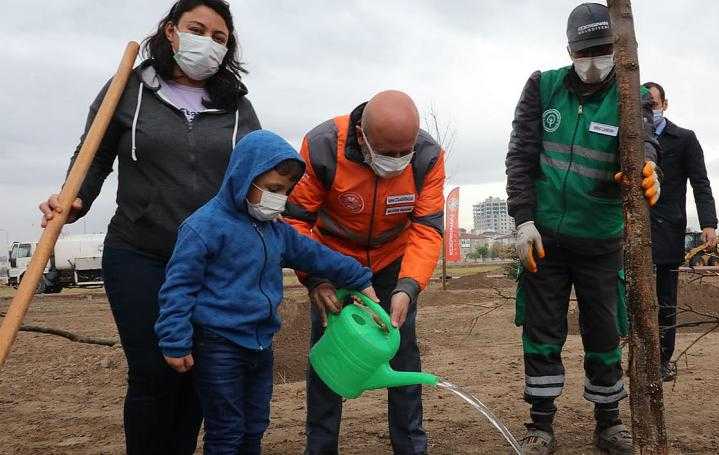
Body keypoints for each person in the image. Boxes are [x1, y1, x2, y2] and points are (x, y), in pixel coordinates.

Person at [38, 1, 261, 452]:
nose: (209, 43)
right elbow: (94, 155)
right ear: (170, 31)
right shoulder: (129, 88)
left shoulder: (237, 106)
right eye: (197, 29)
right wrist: (74, 199)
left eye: (220, 38)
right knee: (155, 369)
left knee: (198, 369)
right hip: (140, 251)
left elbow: (256, 171)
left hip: (209, 262)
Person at [155, 130, 378, 454]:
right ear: (244, 178)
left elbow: (316, 255)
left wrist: (359, 278)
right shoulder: (203, 227)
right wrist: (174, 339)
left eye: (286, 191)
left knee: (255, 424)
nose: (280, 198)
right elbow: (178, 287)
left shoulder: (276, 231)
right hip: (218, 345)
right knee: (226, 430)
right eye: (273, 189)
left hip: (260, 344)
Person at [505, 3, 662, 454]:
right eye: (583, 53)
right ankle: (540, 424)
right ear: (569, 50)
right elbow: (521, 154)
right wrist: (523, 220)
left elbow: (646, 140)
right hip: (545, 241)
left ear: (618, 48)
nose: (593, 64)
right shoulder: (542, 86)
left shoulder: (633, 92)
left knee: (603, 331)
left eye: (602, 52)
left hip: (601, 239)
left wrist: (651, 165)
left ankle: (609, 422)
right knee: (541, 332)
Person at [284, 90, 445, 455]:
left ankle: (410, 446)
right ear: (362, 136)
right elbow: (297, 221)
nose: (396, 161)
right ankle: (321, 447)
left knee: (403, 355)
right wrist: (317, 278)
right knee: (330, 356)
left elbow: (426, 227)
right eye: (386, 153)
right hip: (331, 262)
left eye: (403, 153)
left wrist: (408, 286)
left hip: (392, 263)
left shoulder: (427, 156)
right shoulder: (323, 145)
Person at [643, 81, 717, 382]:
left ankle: (663, 360)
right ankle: (638, 356)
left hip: (668, 229)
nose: (650, 111)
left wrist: (708, 224)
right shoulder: (628, 138)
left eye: (654, 105)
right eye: (644, 107)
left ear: (665, 105)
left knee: (666, 300)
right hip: (632, 231)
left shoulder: (684, 139)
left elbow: (700, 182)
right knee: (632, 297)